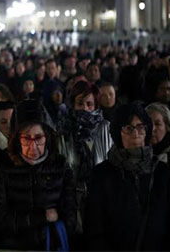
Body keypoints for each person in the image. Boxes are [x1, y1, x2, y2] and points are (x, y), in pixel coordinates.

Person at [84, 103, 170, 251]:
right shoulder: (102, 175)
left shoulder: (163, 173)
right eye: (129, 128)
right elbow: (94, 230)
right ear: (117, 133)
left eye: (141, 127)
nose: (136, 133)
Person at [0, 100, 76, 250]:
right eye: (26, 138)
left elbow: (70, 213)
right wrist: (42, 217)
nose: (33, 146)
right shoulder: (1, 165)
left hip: (51, 244)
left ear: (47, 136)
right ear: (17, 139)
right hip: (14, 245)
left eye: (39, 137)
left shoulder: (60, 165)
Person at [58, 80, 112, 239]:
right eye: (80, 103)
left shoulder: (105, 128)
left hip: (101, 200)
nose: (85, 109)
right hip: (71, 202)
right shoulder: (64, 131)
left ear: (96, 106)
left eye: (89, 104)